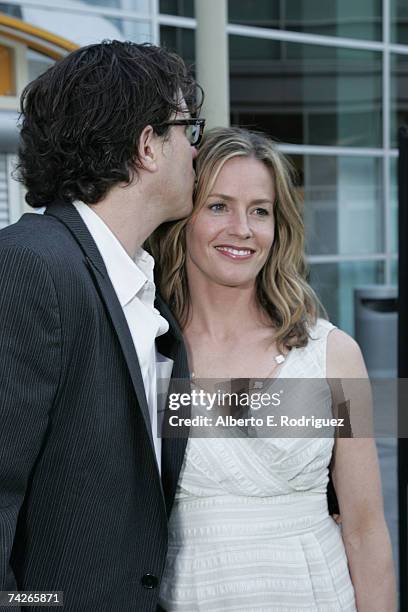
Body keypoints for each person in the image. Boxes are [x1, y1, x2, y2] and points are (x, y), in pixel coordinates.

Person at [148, 127, 396, 611]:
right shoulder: (146, 351)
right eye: (218, 206)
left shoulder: (334, 353)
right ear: (184, 217)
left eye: (259, 210)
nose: (242, 228)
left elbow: (366, 531)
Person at [0, 40, 204, 611]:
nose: (195, 151)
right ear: (147, 145)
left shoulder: (141, 289)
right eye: (189, 128)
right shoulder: (29, 265)